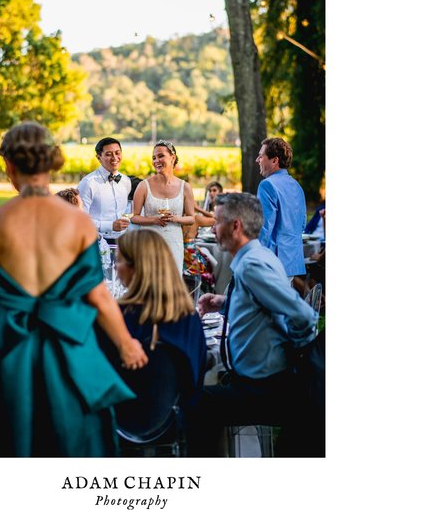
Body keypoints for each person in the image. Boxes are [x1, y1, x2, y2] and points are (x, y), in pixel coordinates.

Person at [0, 122, 148, 456]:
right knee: (68, 444)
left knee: (6, 442)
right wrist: (126, 343)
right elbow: (98, 294)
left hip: (7, 351)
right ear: (50, 163)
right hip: (66, 349)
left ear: (10, 165)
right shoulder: (76, 222)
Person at [189, 192, 320, 457]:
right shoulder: (258, 255)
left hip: (265, 387)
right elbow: (261, 302)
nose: (212, 228)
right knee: (203, 400)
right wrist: (224, 302)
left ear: (235, 225)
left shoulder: (252, 265)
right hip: (257, 380)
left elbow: (303, 317)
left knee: (197, 404)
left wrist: (296, 357)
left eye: (217, 222)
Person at [109, 229, 207, 403]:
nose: (116, 266)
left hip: (123, 420)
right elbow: (196, 379)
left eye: (119, 260)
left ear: (135, 268)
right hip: (177, 419)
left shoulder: (117, 319)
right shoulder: (189, 319)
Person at [129, 140, 196, 271]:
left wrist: (175, 218)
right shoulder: (144, 186)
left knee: (171, 285)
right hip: (149, 243)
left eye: (161, 156)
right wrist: (154, 220)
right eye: (154, 158)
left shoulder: (185, 187)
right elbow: (133, 217)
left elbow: (191, 218)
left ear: (172, 158)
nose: (156, 161)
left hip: (174, 244)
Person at [256, 137, 307, 284]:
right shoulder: (296, 186)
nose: (257, 160)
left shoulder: (267, 185)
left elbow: (263, 228)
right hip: (292, 261)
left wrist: (253, 258)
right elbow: (301, 224)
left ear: (274, 160)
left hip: (272, 262)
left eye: (261, 156)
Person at [77, 136, 132, 243]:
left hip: (123, 242)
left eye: (117, 153)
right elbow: (80, 220)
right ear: (98, 157)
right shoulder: (88, 183)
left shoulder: (126, 181)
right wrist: (110, 225)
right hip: (96, 242)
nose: (115, 158)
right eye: (108, 154)